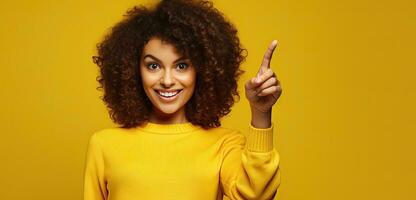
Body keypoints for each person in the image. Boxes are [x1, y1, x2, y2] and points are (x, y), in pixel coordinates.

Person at [84, 0, 282, 199]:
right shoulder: (104, 145)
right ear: (133, 70)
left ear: (202, 70)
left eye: (181, 66)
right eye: (153, 66)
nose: (167, 81)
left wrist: (261, 112)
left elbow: (256, 195)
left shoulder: (224, 144)